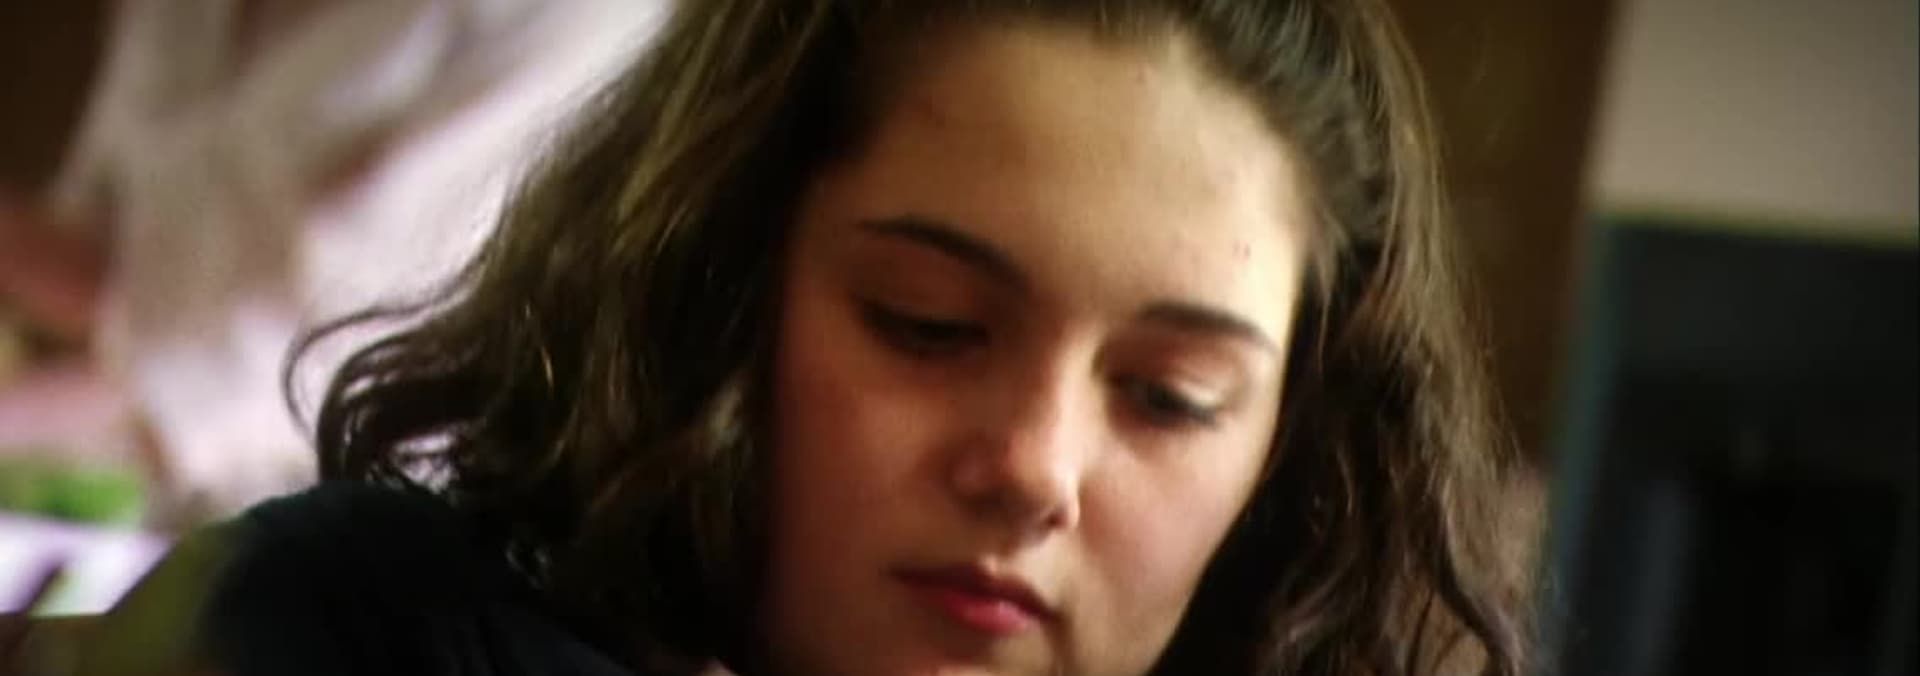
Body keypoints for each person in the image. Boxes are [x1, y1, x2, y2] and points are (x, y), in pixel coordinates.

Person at [20, 0, 1541, 674]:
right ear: (724, 287)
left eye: (1168, 395)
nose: (1034, 466)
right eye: (928, 326)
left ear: (1291, 449)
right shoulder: (354, 628)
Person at [0, 0, 660, 525]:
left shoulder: (587, 17)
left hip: (350, 561)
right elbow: (116, 210)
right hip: (113, 509)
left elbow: (267, 358)